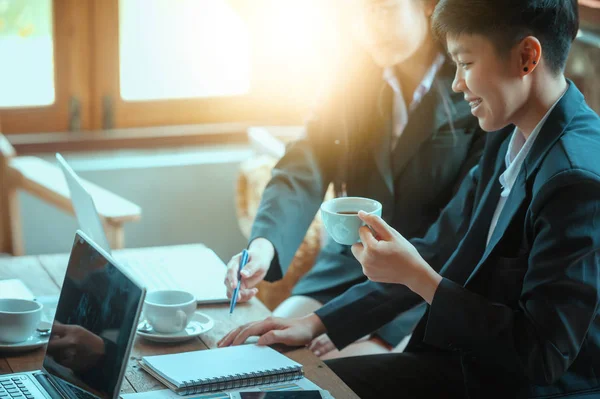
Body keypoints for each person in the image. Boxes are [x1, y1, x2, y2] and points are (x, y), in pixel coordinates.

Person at [219, 0, 600, 397]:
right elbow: (435, 248)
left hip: (520, 384)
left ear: (527, 57)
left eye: (466, 64)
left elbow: (543, 356)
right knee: (281, 382)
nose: (458, 83)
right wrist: (317, 323)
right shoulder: (510, 137)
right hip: (470, 360)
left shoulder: (576, 179)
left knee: (298, 390)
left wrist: (420, 279)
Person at [224, 0, 485, 359]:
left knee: (315, 369)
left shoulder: (472, 85)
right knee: (258, 356)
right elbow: (304, 165)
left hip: (420, 281)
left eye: (384, 8)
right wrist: (262, 247)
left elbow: (459, 229)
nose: (369, 24)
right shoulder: (350, 76)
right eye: (358, 10)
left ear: (426, 6)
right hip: (347, 266)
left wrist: (341, 322)